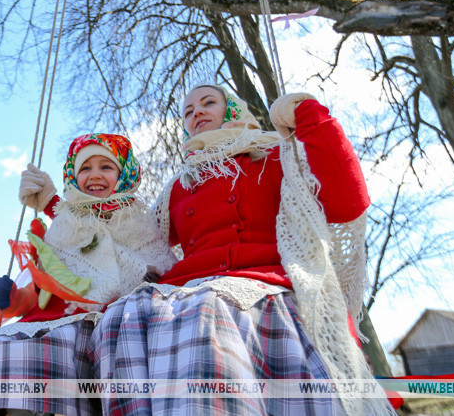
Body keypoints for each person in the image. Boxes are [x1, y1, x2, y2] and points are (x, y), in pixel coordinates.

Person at [88, 85, 396, 415]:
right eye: (188, 112)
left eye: (208, 103)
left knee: (209, 308)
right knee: (121, 315)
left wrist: (307, 112)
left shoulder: (278, 155)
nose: (198, 113)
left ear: (233, 109)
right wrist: (58, 205)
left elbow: (347, 203)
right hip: (187, 287)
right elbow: (127, 235)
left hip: (261, 282)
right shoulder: (180, 185)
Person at [0, 133, 177, 415]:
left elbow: (167, 275)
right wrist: (12, 299)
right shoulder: (64, 225)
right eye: (85, 168)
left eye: (106, 167)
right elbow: (41, 291)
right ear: (73, 176)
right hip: (57, 321)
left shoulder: (139, 224)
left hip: (113, 324)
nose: (94, 175)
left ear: (124, 175)